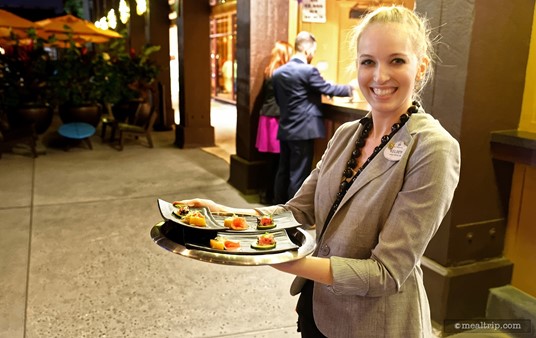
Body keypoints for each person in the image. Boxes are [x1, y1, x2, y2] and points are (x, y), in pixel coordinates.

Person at [178, 6, 460, 337]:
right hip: (316, 307)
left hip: (372, 323)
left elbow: (386, 272)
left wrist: (280, 260)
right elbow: (296, 211)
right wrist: (224, 217)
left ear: (421, 66)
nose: (379, 76)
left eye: (396, 60)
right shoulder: (346, 135)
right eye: (368, 61)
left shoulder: (432, 148)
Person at [272, 31, 354, 204]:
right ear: (308, 50)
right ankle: (294, 214)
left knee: (283, 171)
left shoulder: (278, 73)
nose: (313, 55)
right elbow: (328, 89)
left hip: (286, 127)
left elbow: (280, 101)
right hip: (303, 130)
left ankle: (277, 207)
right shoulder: (307, 71)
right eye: (314, 51)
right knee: (299, 175)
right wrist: (350, 88)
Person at [255, 41, 294, 204]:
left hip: (266, 118)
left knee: (271, 161)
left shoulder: (269, 70)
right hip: (276, 119)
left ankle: (266, 193)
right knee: (279, 161)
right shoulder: (283, 73)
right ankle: (273, 197)